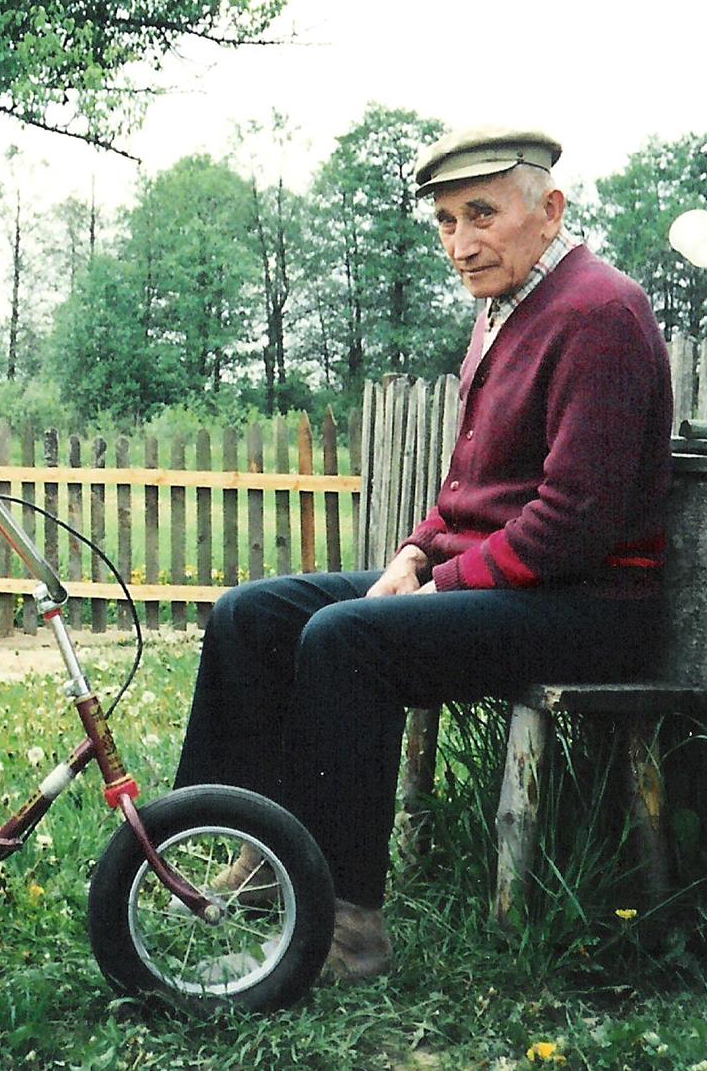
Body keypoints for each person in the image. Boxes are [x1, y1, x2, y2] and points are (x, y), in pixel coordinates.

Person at [173, 126, 673, 981]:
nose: (461, 242)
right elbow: (467, 487)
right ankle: (260, 850)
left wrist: (438, 581)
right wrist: (412, 554)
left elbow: (573, 522)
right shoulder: (501, 311)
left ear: (548, 210)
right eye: (445, 221)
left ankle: (347, 920)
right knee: (250, 614)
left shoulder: (601, 312)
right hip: (510, 586)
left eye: (482, 213)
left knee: (346, 637)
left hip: (592, 606)